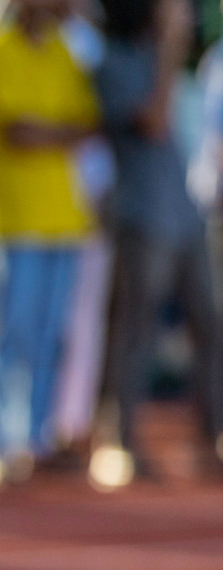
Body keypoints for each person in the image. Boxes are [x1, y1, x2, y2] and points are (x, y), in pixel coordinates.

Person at [97, 0, 223, 478]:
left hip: (184, 216)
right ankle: (118, 442)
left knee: (210, 326)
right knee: (137, 332)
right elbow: (153, 119)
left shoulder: (179, 66)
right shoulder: (114, 62)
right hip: (142, 218)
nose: (186, 20)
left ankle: (212, 435)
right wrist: (170, 50)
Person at [0, 0, 100, 470]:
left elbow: (87, 122)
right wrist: (60, 132)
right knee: (12, 332)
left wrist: (48, 132)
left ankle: (36, 440)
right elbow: (16, 132)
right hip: (15, 221)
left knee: (50, 335)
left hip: (65, 219)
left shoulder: (62, 51)